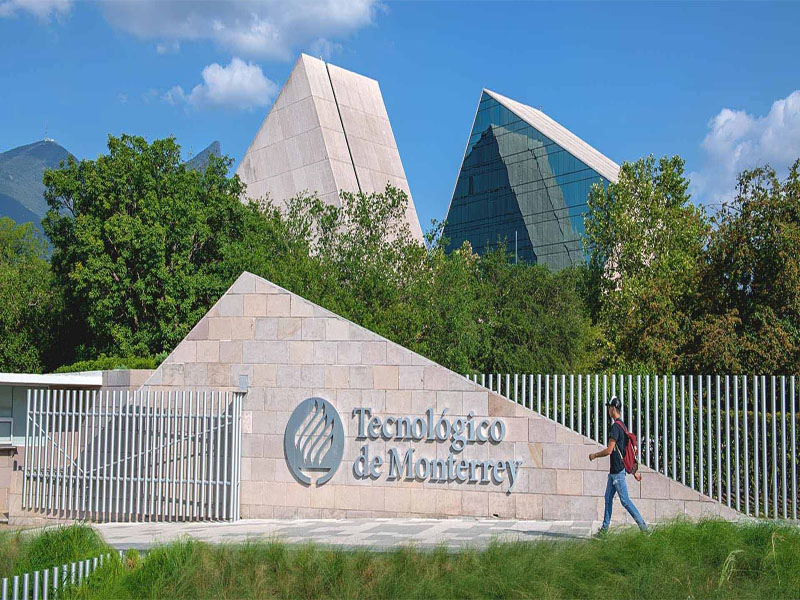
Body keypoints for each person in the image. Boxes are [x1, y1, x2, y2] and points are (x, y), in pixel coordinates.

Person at [589, 396, 648, 533]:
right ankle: (604, 531)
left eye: (609, 408)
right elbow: (627, 452)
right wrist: (634, 472)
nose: (608, 411)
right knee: (608, 498)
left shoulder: (616, 427)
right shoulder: (623, 425)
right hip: (614, 472)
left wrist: (594, 455)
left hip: (617, 473)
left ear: (613, 408)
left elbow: (610, 450)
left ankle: (644, 529)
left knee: (625, 501)